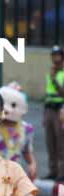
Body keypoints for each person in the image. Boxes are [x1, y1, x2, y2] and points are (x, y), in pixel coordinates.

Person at [43, 45, 64, 181]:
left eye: (57, 55)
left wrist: (54, 79)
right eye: (53, 55)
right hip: (49, 109)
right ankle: (53, 170)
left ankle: (62, 173)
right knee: (50, 142)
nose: (55, 58)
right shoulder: (49, 73)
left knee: (61, 143)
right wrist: (44, 114)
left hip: (60, 110)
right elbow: (47, 94)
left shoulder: (61, 74)